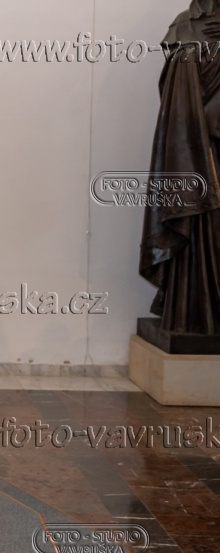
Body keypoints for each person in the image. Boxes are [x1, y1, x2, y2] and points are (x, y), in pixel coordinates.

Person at [141, 0, 220, 335]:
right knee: (200, 220)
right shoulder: (186, 25)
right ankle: (195, 313)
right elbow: (177, 104)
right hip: (197, 151)